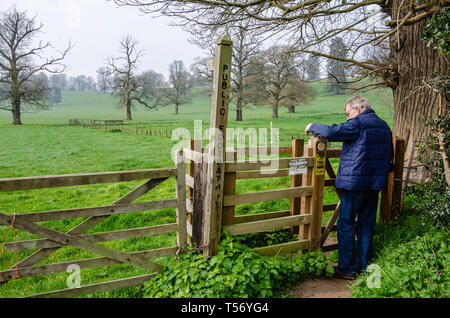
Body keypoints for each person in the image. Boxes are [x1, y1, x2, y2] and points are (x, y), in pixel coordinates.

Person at [305, 96, 393, 280]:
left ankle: (346, 268)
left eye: (348, 113)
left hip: (355, 184)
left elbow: (331, 131)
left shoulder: (358, 123)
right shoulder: (384, 126)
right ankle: (364, 266)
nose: (347, 118)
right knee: (366, 225)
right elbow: (389, 155)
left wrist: (312, 126)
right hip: (374, 185)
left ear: (357, 110)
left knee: (345, 224)